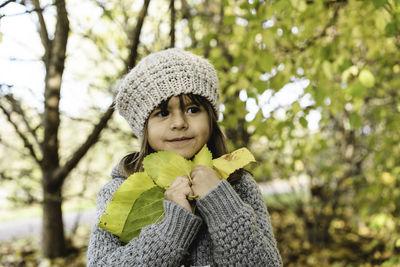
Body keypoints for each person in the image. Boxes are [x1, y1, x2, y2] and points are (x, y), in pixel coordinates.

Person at [87, 48, 282, 267]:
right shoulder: (119, 192)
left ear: (210, 118)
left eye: (192, 109)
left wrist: (222, 204)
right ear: (143, 129)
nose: (179, 122)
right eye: (162, 113)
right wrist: (172, 228)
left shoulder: (239, 185)